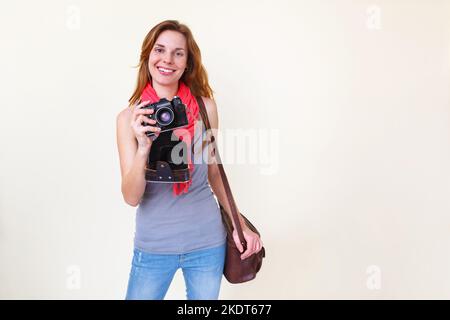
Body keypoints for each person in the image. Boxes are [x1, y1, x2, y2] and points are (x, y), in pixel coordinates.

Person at [116, 20, 263, 300]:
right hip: (154, 244)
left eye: (178, 53)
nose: (167, 59)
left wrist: (239, 224)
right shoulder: (128, 120)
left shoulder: (205, 108)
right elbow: (131, 197)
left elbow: (214, 174)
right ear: (148, 55)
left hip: (207, 242)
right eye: (160, 50)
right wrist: (144, 147)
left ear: (187, 62)